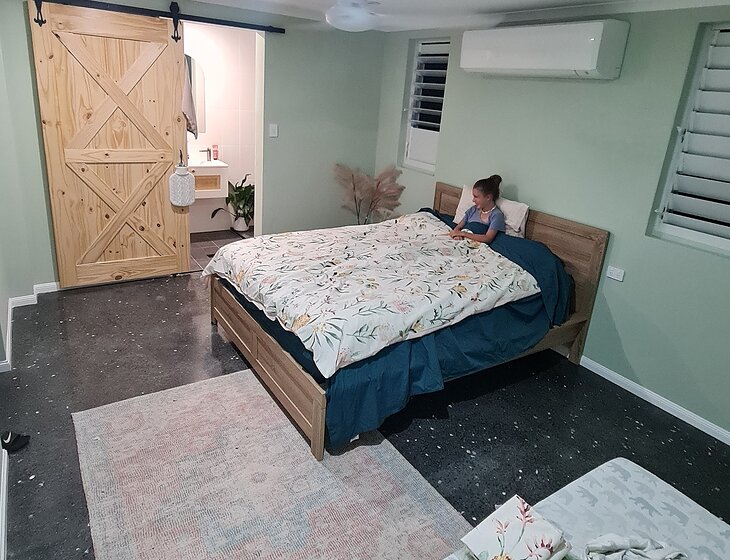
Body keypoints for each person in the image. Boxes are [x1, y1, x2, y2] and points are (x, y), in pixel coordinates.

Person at [448, 175, 506, 244]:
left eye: (476, 197)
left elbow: (487, 238)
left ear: (488, 197)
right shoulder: (473, 210)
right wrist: (457, 235)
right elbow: (458, 227)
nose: (473, 200)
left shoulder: (496, 215)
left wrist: (463, 234)